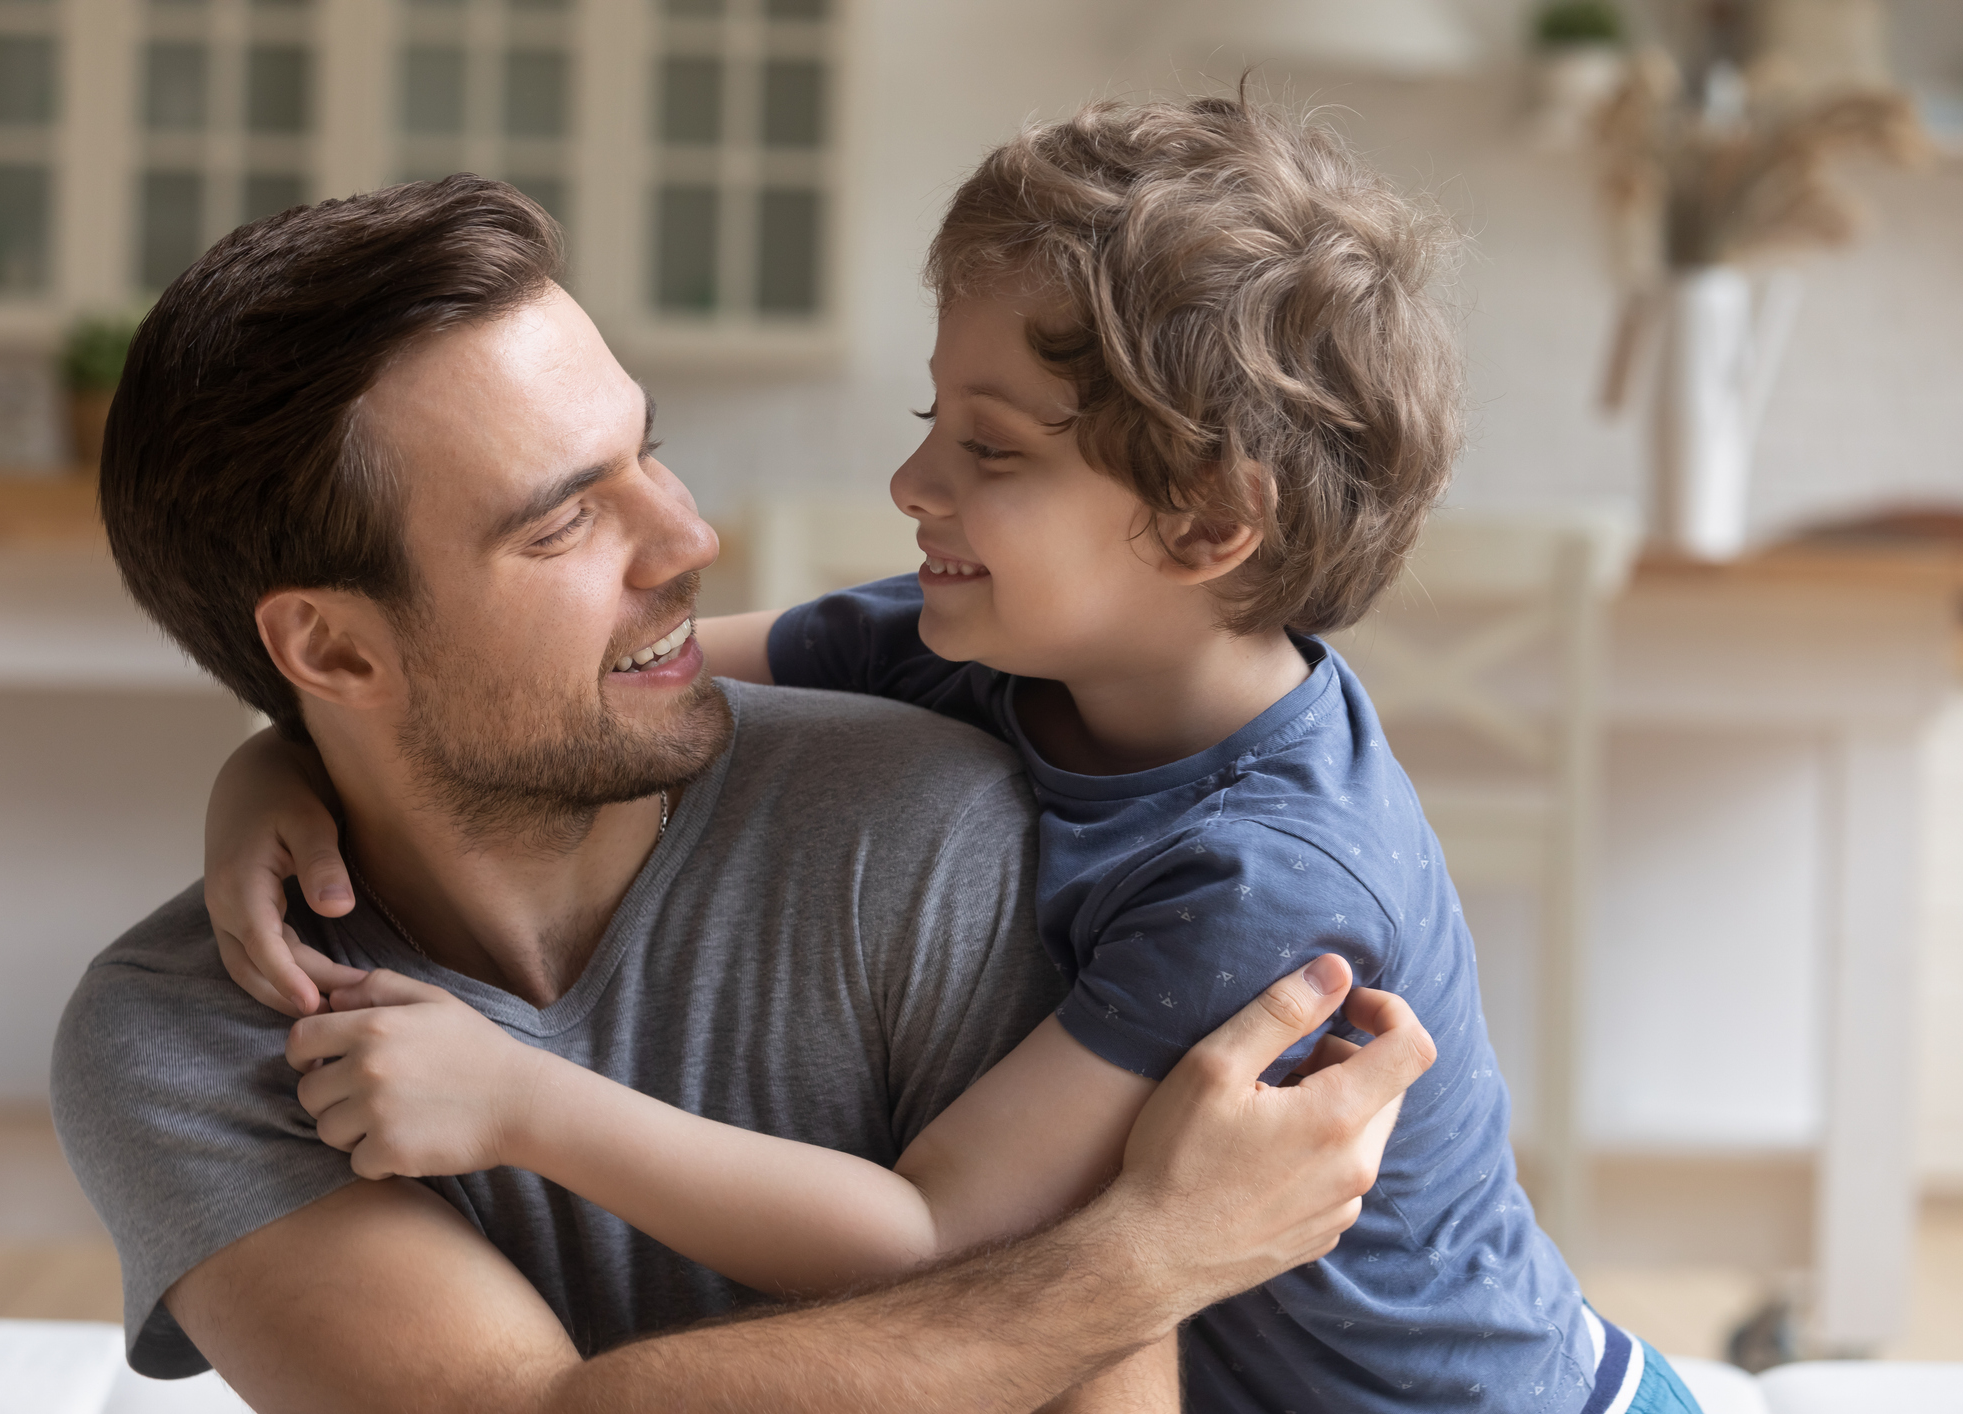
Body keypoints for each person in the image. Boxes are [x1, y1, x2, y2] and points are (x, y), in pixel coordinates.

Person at [201, 99, 1702, 1412]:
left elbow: (934, 1235)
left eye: (991, 451)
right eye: (935, 420)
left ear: (1200, 522)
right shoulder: (979, 637)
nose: (914, 479)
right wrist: (278, 764)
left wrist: (522, 1100)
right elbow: (572, 693)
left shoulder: (1260, 879)